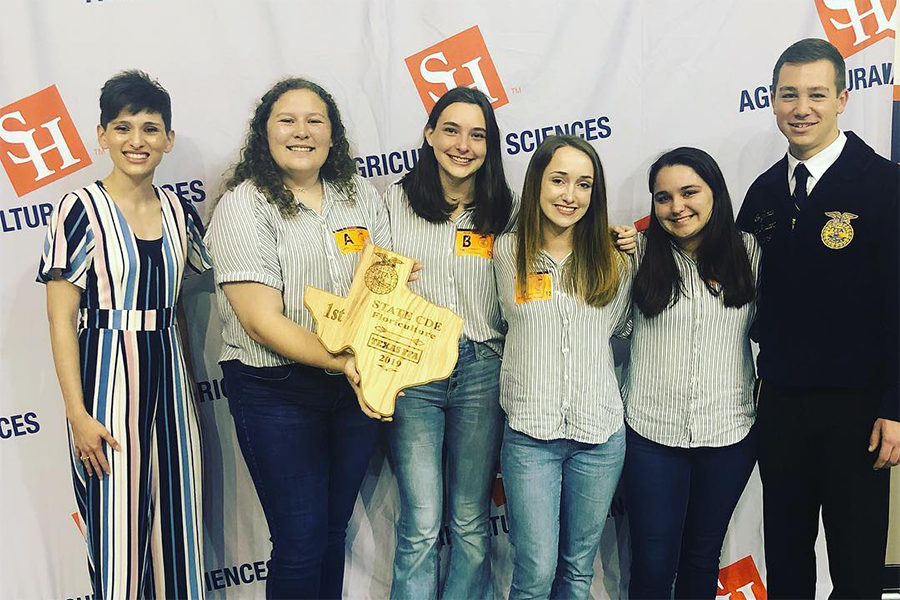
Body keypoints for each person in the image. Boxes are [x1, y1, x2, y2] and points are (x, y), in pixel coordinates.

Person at [205, 78, 390, 599]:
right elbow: (262, 320)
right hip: (275, 391)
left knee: (332, 534)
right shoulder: (245, 205)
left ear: (334, 135)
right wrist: (344, 362)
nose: (302, 132)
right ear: (265, 133)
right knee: (301, 540)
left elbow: (383, 284)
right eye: (287, 120)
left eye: (316, 121)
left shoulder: (358, 196)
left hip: (351, 389)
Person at [736, 38, 899, 599]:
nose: (801, 107)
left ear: (843, 99)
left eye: (816, 94)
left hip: (858, 412)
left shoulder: (885, 186)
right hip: (780, 408)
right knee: (785, 559)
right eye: (788, 95)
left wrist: (895, 409)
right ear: (774, 101)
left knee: (855, 568)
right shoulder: (760, 195)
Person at [38, 70, 208, 599]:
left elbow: (202, 289)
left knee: (180, 532)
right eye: (123, 127)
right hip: (106, 387)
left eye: (151, 129)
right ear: (101, 135)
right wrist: (77, 414)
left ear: (169, 140)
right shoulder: (79, 209)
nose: (137, 141)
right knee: (117, 537)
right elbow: (60, 317)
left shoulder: (181, 212)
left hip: (172, 388)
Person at [383, 86, 515, 600]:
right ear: (429, 135)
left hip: (483, 366)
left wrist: (621, 244)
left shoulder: (510, 208)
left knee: (469, 519)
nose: (464, 144)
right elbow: (367, 287)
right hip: (413, 368)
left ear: (489, 144)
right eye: (452, 130)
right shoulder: (394, 202)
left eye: (477, 134)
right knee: (420, 521)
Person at [493, 135, 631, 600]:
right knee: (534, 574)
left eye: (584, 184)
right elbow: (491, 326)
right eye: (559, 180)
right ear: (536, 184)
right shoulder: (503, 253)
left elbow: (623, 330)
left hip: (600, 436)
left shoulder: (614, 260)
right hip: (531, 437)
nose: (570, 195)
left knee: (576, 572)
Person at [623, 147, 759, 599]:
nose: (676, 207)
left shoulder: (750, 251)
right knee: (653, 560)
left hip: (728, 435)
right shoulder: (637, 254)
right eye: (663, 198)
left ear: (714, 192)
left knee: (703, 557)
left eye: (689, 192)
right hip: (652, 436)